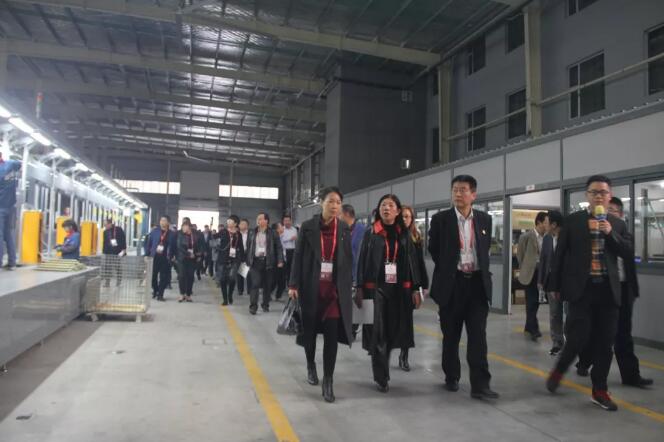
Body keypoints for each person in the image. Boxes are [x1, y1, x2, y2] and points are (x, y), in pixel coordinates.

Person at [546, 175, 634, 411]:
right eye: (594, 192)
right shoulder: (573, 221)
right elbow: (560, 255)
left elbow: (627, 251)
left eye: (603, 193)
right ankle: (559, 369)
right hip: (582, 290)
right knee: (577, 338)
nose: (599, 196)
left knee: (606, 343)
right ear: (587, 196)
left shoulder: (617, 224)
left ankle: (599, 390)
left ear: (609, 195)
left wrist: (610, 233)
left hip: (608, 291)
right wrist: (554, 286)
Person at [428, 175, 499, 400]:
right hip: (453, 284)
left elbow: (484, 250)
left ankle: (480, 384)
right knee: (451, 335)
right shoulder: (440, 220)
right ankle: (452, 376)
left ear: (473, 195)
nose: (458, 194)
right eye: (455, 190)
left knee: (478, 336)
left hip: (477, 284)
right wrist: (450, 269)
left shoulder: (484, 219)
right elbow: (434, 249)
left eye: (463, 190)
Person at [576, 197, 653, 388]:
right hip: (605, 289)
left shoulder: (624, 235)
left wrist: (633, 291)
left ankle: (631, 376)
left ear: (620, 215)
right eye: (606, 210)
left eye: (613, 211)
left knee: (624, 334)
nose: (608, 214)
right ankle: (584, 362)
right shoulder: (596, 236)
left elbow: (628, 254)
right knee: (596, 332)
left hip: (624, 289)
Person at [289, 187, 353, 403]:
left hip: (333, 293)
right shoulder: (307, 227)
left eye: (338, 202)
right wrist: (293, 284)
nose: (335, 206)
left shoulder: (343, 228)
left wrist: (349, 285)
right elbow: (298, 257)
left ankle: (328, 380)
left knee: (331, 338)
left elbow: (348, 259)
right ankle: (310, 365)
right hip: (311, 289)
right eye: (331, 201)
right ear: (321, 203)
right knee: (309, 335)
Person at [355, 194, 422, 393]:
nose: (386, 208)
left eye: (391, 205)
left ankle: (382, 364)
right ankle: (381, 376)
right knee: (377, 332)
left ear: (398, 211)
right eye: (383, 205)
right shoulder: (371, 232)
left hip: (398, 290)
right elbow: (361, 260)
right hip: (374, 289)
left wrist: (416, 288)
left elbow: (412, 263)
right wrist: (358, 287)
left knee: (393, 332)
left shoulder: (404, 234)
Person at [400, 205, 429, 372]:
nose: (404, 219)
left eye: (407, 216)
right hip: (392, 286)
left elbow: (419, 263)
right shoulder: (392, 236)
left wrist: (423, 285)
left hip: (409, 286)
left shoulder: (415, 237)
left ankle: (404, 356)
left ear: (412, 219)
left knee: (406, 323)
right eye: (402, 216)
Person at [517, 211, 547, 341]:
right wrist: (526, 267)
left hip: (541, 274)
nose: (547, 225)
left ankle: (528, 326)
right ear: (539, 222)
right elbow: (520, 256)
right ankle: (534, 329)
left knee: (536, 302)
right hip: (530, 273)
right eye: (546, 222)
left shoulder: (547, 238)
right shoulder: (526, 237)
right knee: (531, 301)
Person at [245, 213, 284, 315]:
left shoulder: (273, 233)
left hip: (268, 262)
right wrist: (247, 260)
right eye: (257, 219)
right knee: (255, 284)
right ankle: (253, 306)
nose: (258, 220)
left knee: (267, 285)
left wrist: (280, 260)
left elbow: (279, 247)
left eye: (260, 219)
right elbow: (248, 247)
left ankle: (265, 304)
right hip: (255, 262)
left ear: (266, 221)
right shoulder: (252, 232)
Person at [538, 210, 565, 355]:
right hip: (551, 282)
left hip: (565, 282)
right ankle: (557, 342)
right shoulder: (547, 238)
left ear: (554, 224)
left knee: (569, 313)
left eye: (547, 222)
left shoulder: (566, 237)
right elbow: (543, 260)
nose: (545, 225)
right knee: (554, 313)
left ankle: (572, 342)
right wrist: (541, 281)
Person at [144, 215, 177, 301]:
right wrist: (146, 254)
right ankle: (155, 290)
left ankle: (160, 294)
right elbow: (149, 243)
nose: (162, 222)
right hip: (154, 257)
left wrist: (174, 256)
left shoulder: (172, 234)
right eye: (161, 220)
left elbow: (174, 247)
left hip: (166, 258)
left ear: (168, 223)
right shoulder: (155, 231)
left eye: (164, 220)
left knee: (164, 277)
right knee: (152, 276)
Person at [216, 215, 245, 306]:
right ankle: (225, 299)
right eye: (228, 220)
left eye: (230, 221)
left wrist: (243, 259)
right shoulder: (223, 232)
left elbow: (241, 247)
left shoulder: (238, 234)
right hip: (223, 258)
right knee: (222, 279)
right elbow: (214, 237)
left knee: (232, 278)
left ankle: (230, 295)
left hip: (234, 259)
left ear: (235, 223)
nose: (228, 222)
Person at [0, 152, 21, 270]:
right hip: (11, 206)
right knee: (8, 234)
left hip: (1, 206)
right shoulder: (12, 164)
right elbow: (19, 164)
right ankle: (12, 262)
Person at [176, 221, 202, 303]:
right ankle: (182, 294)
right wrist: (188, 254)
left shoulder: (196, 235)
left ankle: (188, 294)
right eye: (182, 227)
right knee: (182, 276)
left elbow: (199, 246)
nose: (183, 228)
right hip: (182, 258)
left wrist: (198, 255)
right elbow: (179, 247)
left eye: (185, 226)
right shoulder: (180, 235)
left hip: (192, 259)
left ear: (189, 227)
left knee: (190, 276)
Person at [102, 218, 127, 287]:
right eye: (104, 225)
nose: (105, 226)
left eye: (106, 225)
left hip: (117, 252)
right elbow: (104, 242)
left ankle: (119, 281)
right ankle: (107, 282)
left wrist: (124, 249)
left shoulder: (118, 229)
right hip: (108, 252)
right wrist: (104, 251)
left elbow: (123, 239)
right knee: (107, 267)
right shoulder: (105, 232)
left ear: (110, 224)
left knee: (117, 267)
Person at [281, 215, 298, 297]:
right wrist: (290, 239)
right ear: (283, 222)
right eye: (285, 221)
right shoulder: (282, 229)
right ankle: (283, 285)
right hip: (285, 251)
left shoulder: (294, 229)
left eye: (288, 220)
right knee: (285, 269)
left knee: (292, 268)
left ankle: (290, 285)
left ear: (291, 221)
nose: (287, 222)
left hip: (293, 250)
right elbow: (281, 240)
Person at [237, 218, 250, 296]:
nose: (242, 225)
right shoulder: (237, 234)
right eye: (241, 224)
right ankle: (240, 290)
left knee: (249, 273)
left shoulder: (251, 234)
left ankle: (249, 290)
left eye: (244, 224)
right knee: (240, 273)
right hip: (240, 255)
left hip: (248, 254)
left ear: (247, 226)